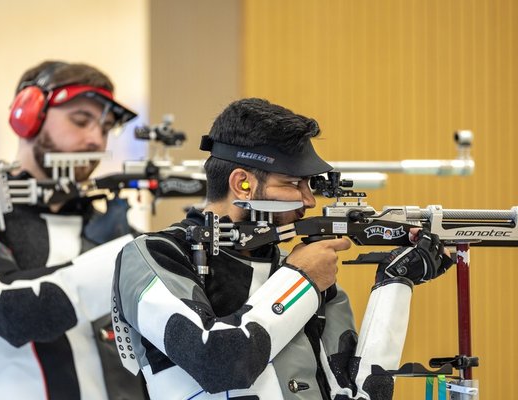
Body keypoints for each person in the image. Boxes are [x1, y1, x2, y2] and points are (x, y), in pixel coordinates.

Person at [112, 98, 454, 400]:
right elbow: (218, 362)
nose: (308, 200)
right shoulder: (153, 256)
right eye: (293, 183)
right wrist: (301, 280)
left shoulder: (296, 270)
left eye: (310, 186)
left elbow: (363, 392)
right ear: (242, 183)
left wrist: (395, 284)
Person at [0, 60, 149, 399]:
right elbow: (11, 309)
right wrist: (138, 255)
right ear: (27, 116)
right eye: (81, 120)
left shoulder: (112, 232)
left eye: (106, 127)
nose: (95, 139)